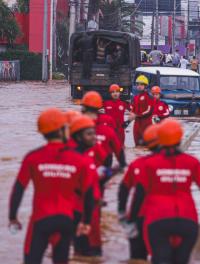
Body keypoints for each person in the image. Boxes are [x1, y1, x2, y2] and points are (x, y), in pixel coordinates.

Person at [129, 118, 200, 264]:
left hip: (158, 220)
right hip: (188, 221)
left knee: (160, 259)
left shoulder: (149, 164)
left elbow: (139, 194)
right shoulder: (192, 162)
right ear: (180, 138)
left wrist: (131, 221)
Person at [8, 108, 95, 264]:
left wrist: (13, 217)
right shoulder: (80, 160)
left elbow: (19, 189)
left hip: (40, 220)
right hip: (66, 221)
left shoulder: (32, 157)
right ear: (63, 130)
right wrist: (86, 222)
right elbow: (88, 194)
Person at [117, 124, 161, 262]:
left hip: (141, 217)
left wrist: (124, 215)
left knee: (137, 258)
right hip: (172, 218)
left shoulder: (139, 164)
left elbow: (126, 191)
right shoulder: (185, 163)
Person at [69, 115, 105, 256]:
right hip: (81, 211)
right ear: (78, 136)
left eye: (94, 133)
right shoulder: (76, 159)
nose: (94, 137)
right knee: (86, 251)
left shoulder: (86, 155)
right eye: (89, 134)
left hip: (89, 210)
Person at [81, 91, 126, 174]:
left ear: (83, 108)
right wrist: (121, 165)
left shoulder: (79, 124)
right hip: (105, 163)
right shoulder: (108, 122)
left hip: (85, 167)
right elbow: (118, 148)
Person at [131, 75, 154, 146]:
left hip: (146, 124)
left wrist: (137, 115)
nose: (139, 86)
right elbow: (133, 111)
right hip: (137, 125)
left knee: (147, 146)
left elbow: (149, 110)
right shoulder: (135, 97)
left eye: (141, 84)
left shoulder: (149, 96)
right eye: (138, 84)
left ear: (145, 86)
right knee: (137, 145)